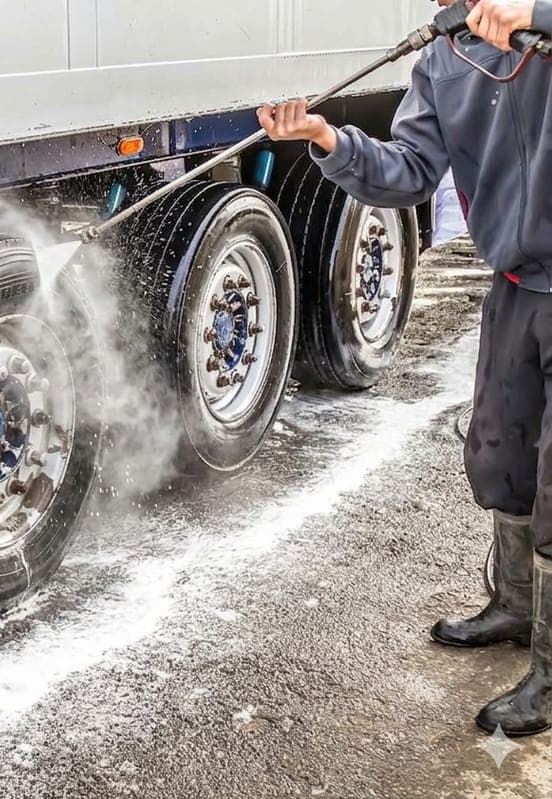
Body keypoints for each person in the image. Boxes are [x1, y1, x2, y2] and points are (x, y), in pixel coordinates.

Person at [258, 0, 552, 737]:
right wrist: (327, 139)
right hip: (518, 287)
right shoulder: (444, 60)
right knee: (500, 458)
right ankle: (518, 605)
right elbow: (409, 171)